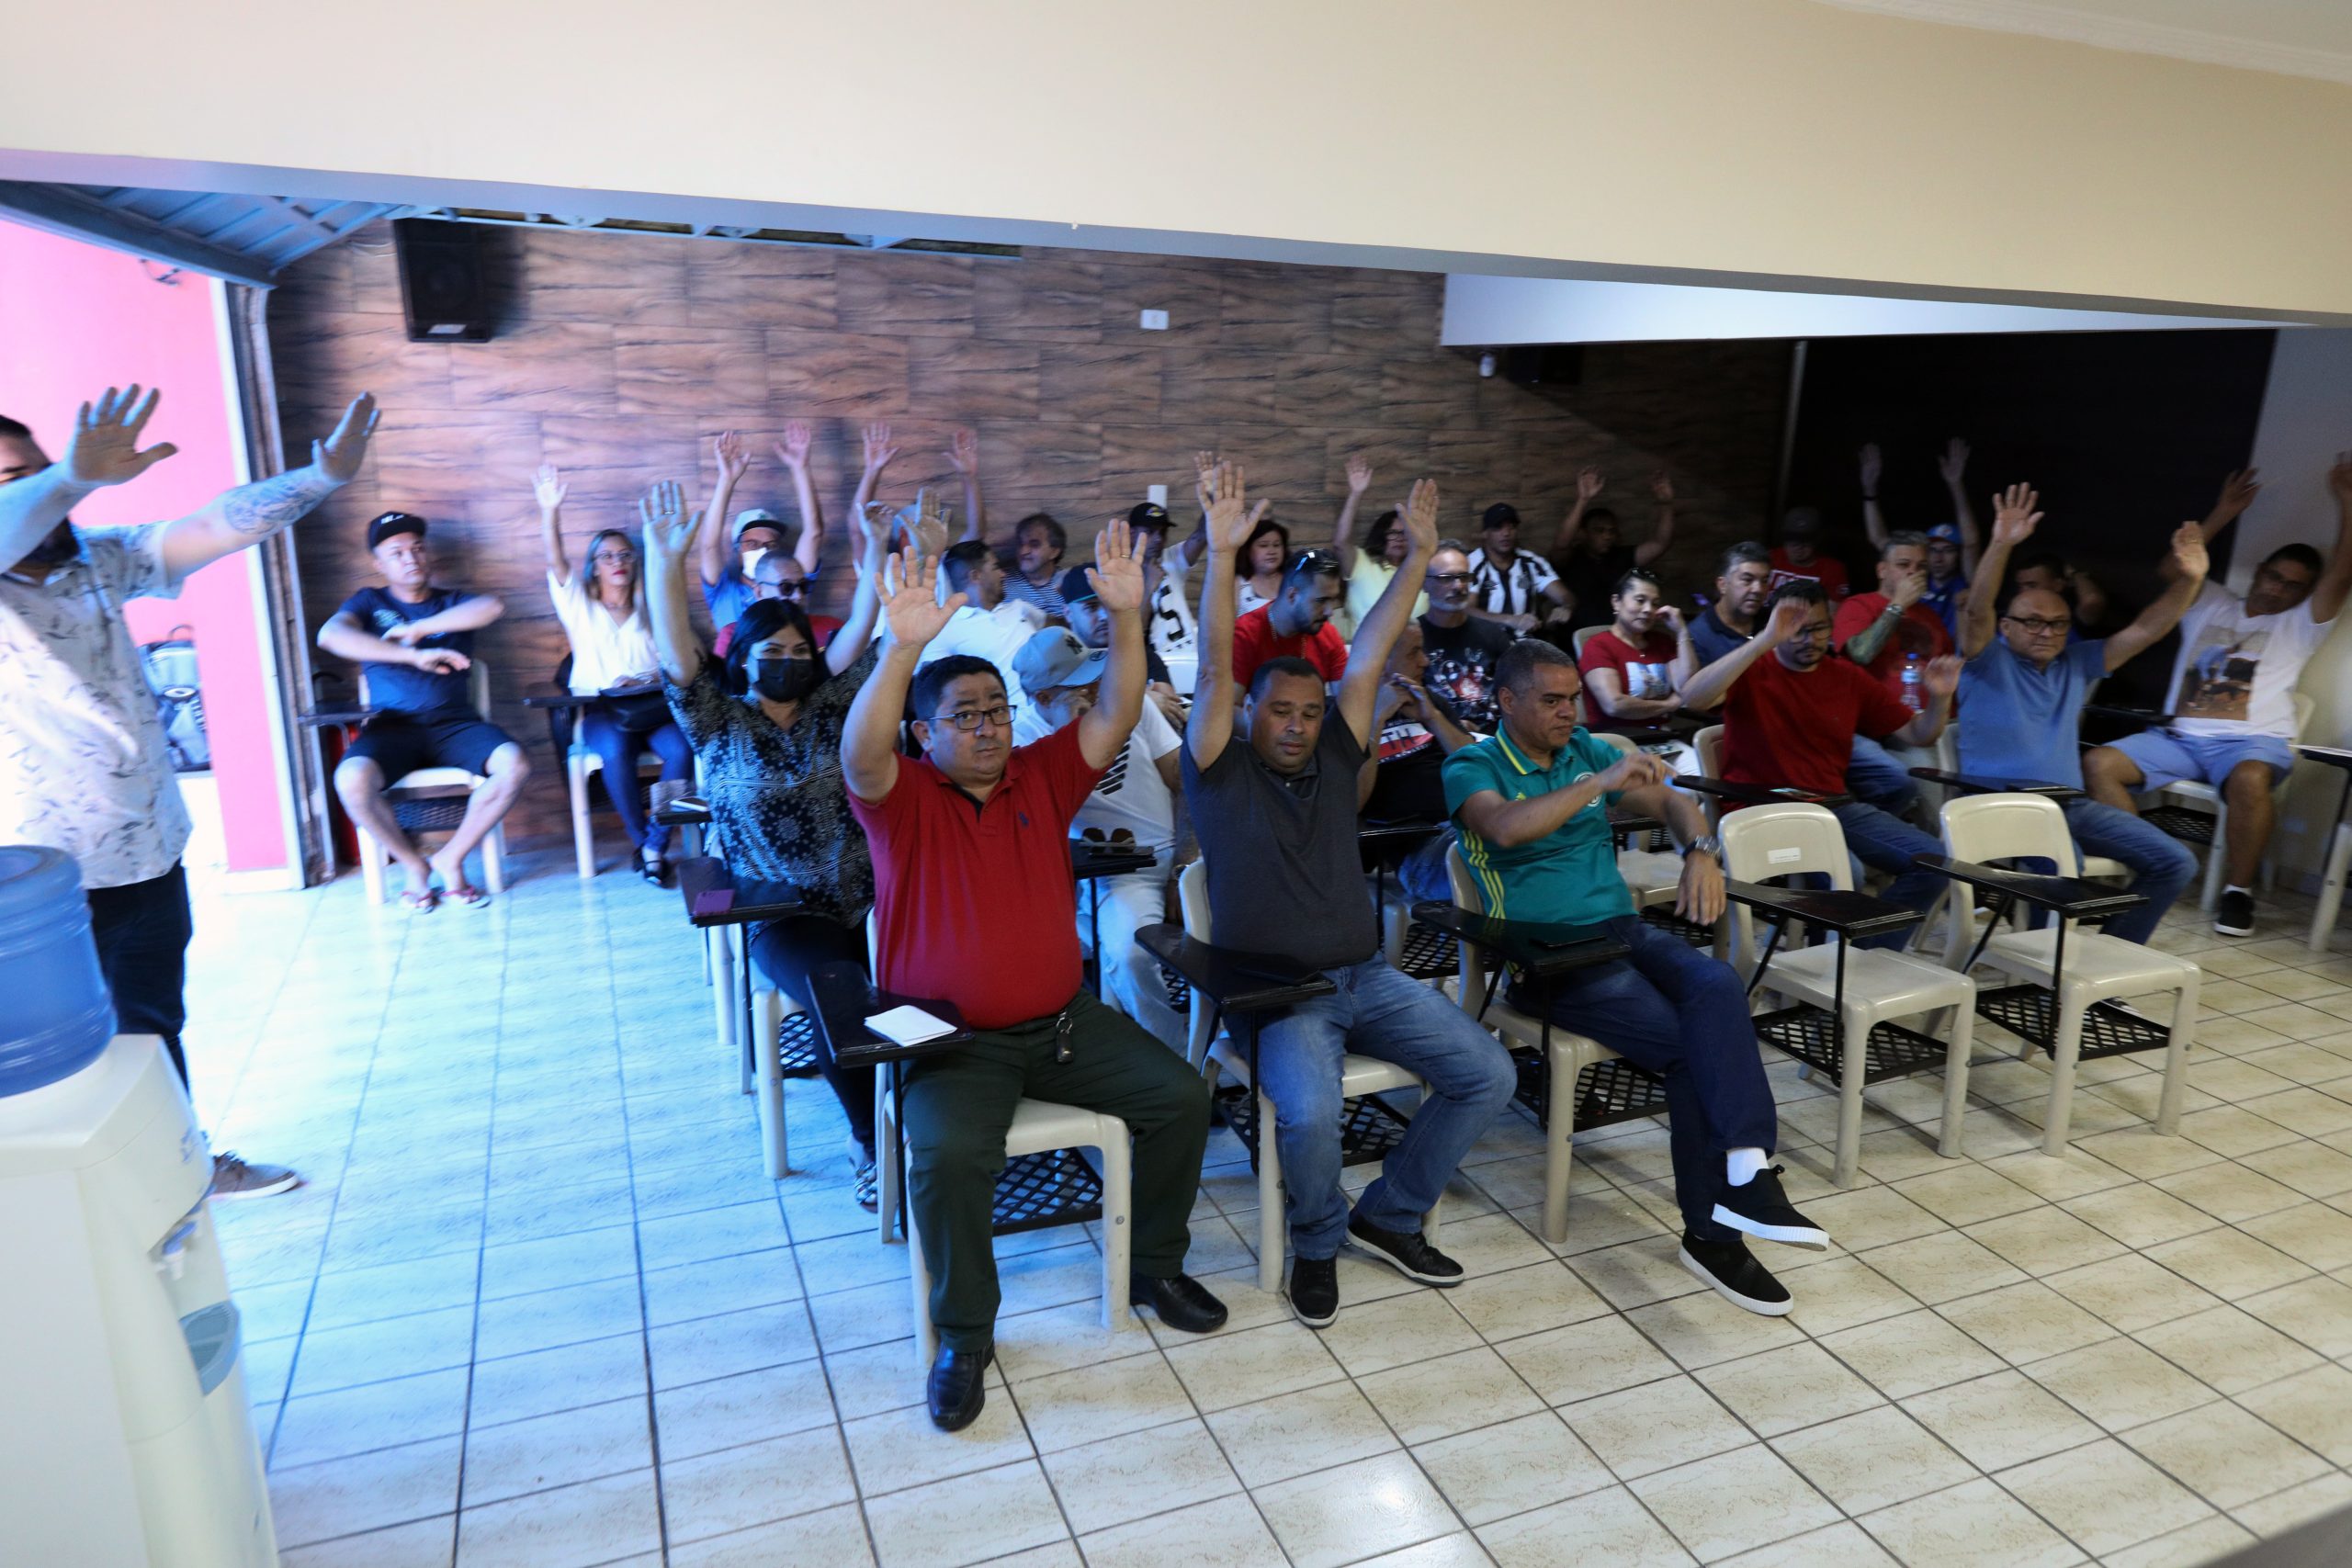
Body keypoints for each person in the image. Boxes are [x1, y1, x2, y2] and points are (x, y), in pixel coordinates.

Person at [843, 523, 1227, 1429]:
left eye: (996, 710)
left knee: (1178, 1097)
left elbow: (1117, 710)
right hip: (952, 1044)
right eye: (964, 716)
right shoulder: (899, 800)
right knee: (943, 1154)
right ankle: (966, 1333)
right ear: (925, 732)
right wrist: (902, 648)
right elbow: (863, 750)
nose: (985, 728)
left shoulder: (1039, 777)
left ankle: (1154, 1267)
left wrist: (1128, 620)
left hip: (1062, 1025)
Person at [1, 385, 380, 1197]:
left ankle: (179, 1166)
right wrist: (69, 474)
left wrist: (321, 479)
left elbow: (214, 524)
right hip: (43, 880)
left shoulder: (99, 558)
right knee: (67, 1051)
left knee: (151, 1025)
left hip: (149, 850)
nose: (30, 489)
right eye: (12, 479)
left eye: (28, 468)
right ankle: (88, 1196)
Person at [1187, 463, 1518, 1328]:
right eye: (1280, 711)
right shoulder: (1220, 772)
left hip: (1365, 974)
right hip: (1282, 995)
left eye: (1308, 710)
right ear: (1251, 714)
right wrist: (1222, 557)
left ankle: (1392, 1212)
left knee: (1486, 1072)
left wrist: (1416, 558)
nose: (1297, 724)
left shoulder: (1338, 753)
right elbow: (1218, 665)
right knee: (1311, 1114)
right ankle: (1319, 1241)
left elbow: (1370, 651)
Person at [1445, 639, 1831, 1315]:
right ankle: (1710, 1234)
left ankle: (1746, 1168)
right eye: (1552, 700)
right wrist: (1600, 782)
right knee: (1688, 1048)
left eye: (1574, 698)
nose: (1571, 712)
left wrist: (1702, 851)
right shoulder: (1473, 763)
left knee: (1717, 985)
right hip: (1549, 956)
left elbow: (1675, 802)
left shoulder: (1584, 747)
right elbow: (1505, 828)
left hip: (1621, 929)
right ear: (1506, 702)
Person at [644, 477, 891, 1197]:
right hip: (783, 913)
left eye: (797, 649)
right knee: (835, 992)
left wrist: (876, 550)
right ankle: (871, 1143)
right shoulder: (718, 722)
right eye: (772, 649)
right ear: (743, 659)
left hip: (868, 898)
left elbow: (862, 629)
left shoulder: (830, 707)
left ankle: (936, 1112)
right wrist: (666, 563)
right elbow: (678, 660)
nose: (789, 658)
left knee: (922, 979)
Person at [2085, 459, 2352, 937]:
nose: (2278, 589)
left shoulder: (2301, 624)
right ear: (2261, 571)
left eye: (2293, 585)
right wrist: (2224, 511)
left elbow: (2342, 573)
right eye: (2274, 576)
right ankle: (2147, 864)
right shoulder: (2211, 600)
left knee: (2250, 780)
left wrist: (2347, 502)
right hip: (2179, 738)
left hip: (2253, 744)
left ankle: (2237, 893)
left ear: (2305, 593)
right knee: (2100, 764)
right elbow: (2172, 567)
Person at [1959, 487, 2204, 944]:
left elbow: (2147, 629)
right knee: (2060, 864)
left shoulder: (2077, 662)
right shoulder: (1987, 660)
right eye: (2032, 621)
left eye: (2056, 624)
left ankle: (2110, 953)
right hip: (2000, 804)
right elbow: (1976, 612)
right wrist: (2002, 543)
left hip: (2070, 804)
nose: (2045, 632)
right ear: (2007, 626)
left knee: (2177, 862)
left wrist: (2189, 581)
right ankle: (2036, 968)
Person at [1680, 581, 1960, 941]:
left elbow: (1919, 734)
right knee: (1847, 874)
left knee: (1934, 860)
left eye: (1818, 628)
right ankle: (1823, 964)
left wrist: (1939, 698)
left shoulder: (1846, 676)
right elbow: (1692, 699)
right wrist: (1765, 641)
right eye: (1797, 629)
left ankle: (1863, 954)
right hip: (1761, 811)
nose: (1809, 639)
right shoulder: (1752, 668)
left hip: (1832, 806)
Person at [322, 512, 526, 912]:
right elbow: (331, 635)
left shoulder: (453, 603)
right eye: (396, 552)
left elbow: (492, 605)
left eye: (417, 548)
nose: (410, 558)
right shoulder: (369, 602)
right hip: (393, 727)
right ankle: (414, 865)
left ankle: (451, 858)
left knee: (514, 765)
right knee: (350, 780)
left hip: (456, 725)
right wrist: (411, 657)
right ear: (379, 564)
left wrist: (419, 629)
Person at [1013, 626, 1188, 1053]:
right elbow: (1042, 828)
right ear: (1044, 699)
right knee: (1129, 957)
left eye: (1096, 674)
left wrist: (1185, 869)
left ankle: (1223, 1044)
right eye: (1080, 685)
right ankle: (1180, 1061)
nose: (1095, 687)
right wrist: (1066, 740)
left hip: (1179, 853)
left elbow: (1187, 785)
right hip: (1115, 875)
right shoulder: (1022, 741)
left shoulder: (1129, 706)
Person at [533, 464, 691, 882]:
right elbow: (555, 561)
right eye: (607, 556)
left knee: (682, 750)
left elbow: (675, 664)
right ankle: (644, 841)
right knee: (616, 753)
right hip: (601, 710)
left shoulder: (651, 606)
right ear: (595, 567)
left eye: (624, 554)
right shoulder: (579, 605)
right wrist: (551, 511)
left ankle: (657, 841)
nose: (617, 561)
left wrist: (642, 681)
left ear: (635, 561)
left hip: (653, 706)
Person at [1360, 620, 1481, 903]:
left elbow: (1479, 765)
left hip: (1470, 824)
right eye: (1414, 652)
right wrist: (1376, 718)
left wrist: (1433, 719)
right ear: (1381, 659)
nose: (1425, 661)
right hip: (1421, 852)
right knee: (1497, 848)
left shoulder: (1430, 702)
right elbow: (1350, 800)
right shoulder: (1347, 717)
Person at [1834, 528, 1954, 805]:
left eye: (1920, 567)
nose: (1914, 573)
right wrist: (1897, 605)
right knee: (1917, 778)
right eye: (1903, 565)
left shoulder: (1930, 617)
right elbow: (1860, 653)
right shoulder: (1859, 605)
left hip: (1922, 724)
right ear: (1882, 570)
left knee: (1945, 781)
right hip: (1869, 726)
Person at [699, 425, 824, 630]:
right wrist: (727, 480)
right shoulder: (724, 590)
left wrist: (801, 468)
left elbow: (814, 533)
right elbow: (709, 546)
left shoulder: (792, 585)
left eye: (770, 544)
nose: (762, 550)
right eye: (752, 544)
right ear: (737, 550)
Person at [916, 539, 1046, 730]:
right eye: (995, 567)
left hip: (1056, 715)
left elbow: (1056, 627)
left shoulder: (1021, 609)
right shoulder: (944, 628)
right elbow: (929, 689)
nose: (1003, 574)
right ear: (976, 576)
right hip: (1009, 731)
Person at [1861, 439, 1980, 639]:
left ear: (1958, 555)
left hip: (1950, 659)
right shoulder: (1916, 577)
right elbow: (1879, 539)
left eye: (1948, 550)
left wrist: (1956, 485)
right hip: (1913, 658)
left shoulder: (1964, 583)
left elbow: (1971, 543)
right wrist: (1869, 491)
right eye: (1934, 550)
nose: (1939, 557)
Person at [1553, 467, 1678, 635]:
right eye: (1599, 531)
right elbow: (1561, 544)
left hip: (1617, 639)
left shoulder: (1622, 556)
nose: (1607, 536)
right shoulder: (1571, 557)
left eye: (1611, 531)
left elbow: (1660, 544)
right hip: (1576, 639)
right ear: (1583, 533)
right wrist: (1583, 500)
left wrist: (1667, 503)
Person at [1057, 567, 1184, 728]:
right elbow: (1073, 718)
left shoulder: (1138, 653)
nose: (1104, 616)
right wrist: (1143, 701)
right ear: (1068, 613)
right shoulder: (1059, 662)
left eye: (1108, 606)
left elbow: (1170, 710)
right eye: (1091, 608)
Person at [1577, 570, 1697, 737]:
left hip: (1662, 737)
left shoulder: (1662, 642)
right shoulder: (1598, 645)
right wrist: (1669, 705)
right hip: (1616, 740)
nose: (1648, 609)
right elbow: (1614, 704)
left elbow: (1688, 688)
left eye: (1655, 604)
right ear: (1616, 602)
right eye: (1640, 601)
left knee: (1699, 762)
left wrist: (1682, 632)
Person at [1323, 453, 1427, 639]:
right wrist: (1356, 493)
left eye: (1405, 534)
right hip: (1366, 656)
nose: (1400, 539)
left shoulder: (1421, 569)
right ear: (1382, 535)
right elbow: (1340, 542)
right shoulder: (1363, 562)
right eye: (1393, 533)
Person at [1419, 541, 1518, 733]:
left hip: (1493, 739)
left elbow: (1518, 691)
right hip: (1434, 741)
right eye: (1446, 578)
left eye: (1464, 577)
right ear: (1424, 584)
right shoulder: (1413, 639)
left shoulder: (1493, 634)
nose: (1459, 586)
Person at [1229, 550, 1349, 692]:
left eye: (1333, 600)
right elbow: (1232, 706)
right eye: (1321, 601)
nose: (1330, 611)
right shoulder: (1244, 635)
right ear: (1292, 596)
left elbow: (1345, 702)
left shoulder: (1328, 635)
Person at [712, 547, 843, 659]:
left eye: (803, 586)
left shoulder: (834, 628)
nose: (799, 595)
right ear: (759, 592)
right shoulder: (733, 635)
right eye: (786, 587)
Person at [1466, 502, 1571, 633]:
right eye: (1498, 527)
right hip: (1488, 644)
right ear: (1485, 533)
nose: (1506, 533)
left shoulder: (1532, 562)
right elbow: (1466, 610)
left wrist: (1565, 608)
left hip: (1527, 644)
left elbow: (1566, 596)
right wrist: (1509, 620)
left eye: (1512, 527)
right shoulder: (1472, 563)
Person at [1769, 506, 1850, 602]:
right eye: (1792, 540)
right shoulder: (1769, 558)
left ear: (1816, 541)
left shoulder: (1832, 569)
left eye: (1805, 540)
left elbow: (1835, 612)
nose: (1799, 546)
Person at [1235, 513, 1290, 615]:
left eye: (1277, 545)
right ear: (1248, 550)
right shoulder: (1237, 584)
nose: (1272, 551)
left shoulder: (1294, 579)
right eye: (1263, 545)